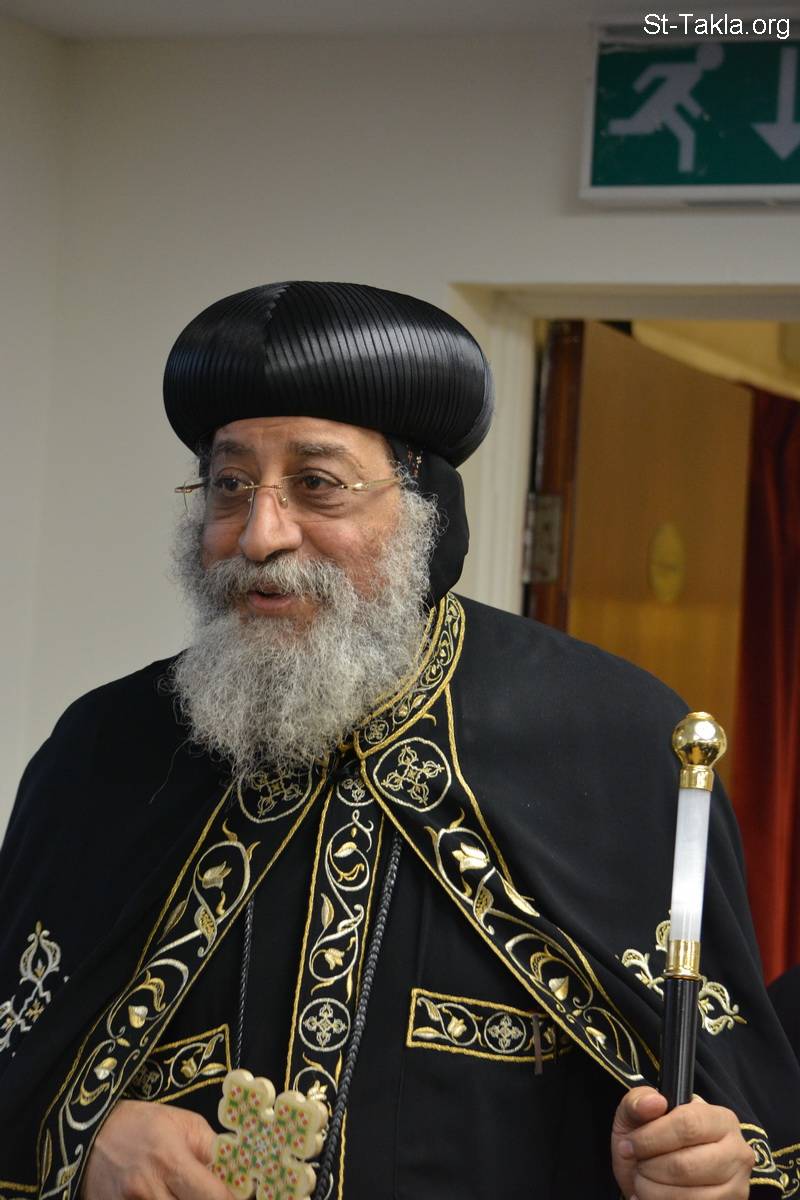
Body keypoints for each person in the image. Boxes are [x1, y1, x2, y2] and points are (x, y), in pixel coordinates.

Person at [0, 281, 797, 1200]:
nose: (259, 534)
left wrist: (707, 1173)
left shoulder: (616, 744)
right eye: (229, 484)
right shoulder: (103, 751)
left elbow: (745, 1123)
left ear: (426, 509)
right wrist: (83, 1140)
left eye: (317, 484)